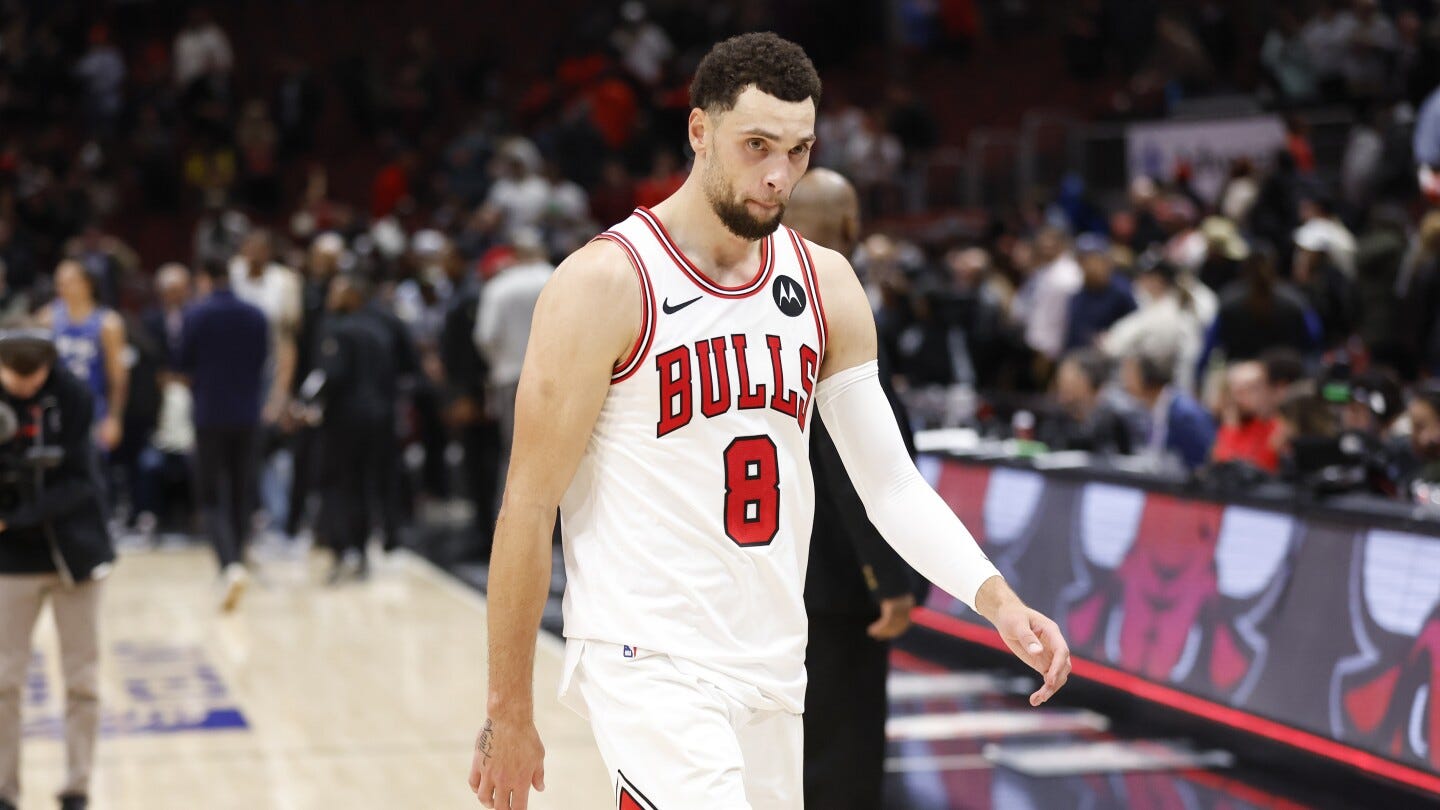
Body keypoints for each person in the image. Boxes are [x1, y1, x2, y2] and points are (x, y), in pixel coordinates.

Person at [470, 33, 1071, 810]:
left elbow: (888, 486)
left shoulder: (827, 284)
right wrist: (507, 711)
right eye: (756, 145)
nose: (779, 173)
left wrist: (998, 600)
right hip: (647, 653)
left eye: (797, 150)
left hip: (775, 657)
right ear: (699, 131)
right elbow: (528, 505)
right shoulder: (607, 282)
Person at [782, 167, 921, 810]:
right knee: (845, 744)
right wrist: (886, 576)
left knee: (797, 739)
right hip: (837, 576)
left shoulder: (754, 302)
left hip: (772, 561)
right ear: (847, 224)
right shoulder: (838, 305)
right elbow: (853, 462)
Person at [0, 331, 115, 810]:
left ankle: (77, 785)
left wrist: (18, 516)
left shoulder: (73, 395)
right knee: (4, 680)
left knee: (82, 679)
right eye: (14, 377)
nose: (25, 386)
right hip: (10, 564)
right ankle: (4, 789)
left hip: (75, 555)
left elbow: (82, 482)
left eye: (34, 377)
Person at [179, 258, 269, 611]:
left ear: (205, 279)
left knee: (211, 494)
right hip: (248, 414)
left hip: (210, 413)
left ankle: (229, 564)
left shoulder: (197, 315)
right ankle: (240, 558)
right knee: (242, 489)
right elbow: (263, 360)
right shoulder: (256, 314)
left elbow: (182, 362)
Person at [314, 274, 400, 577]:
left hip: (345, 418)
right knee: (367, 484)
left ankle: (343, 549)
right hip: (379, 417)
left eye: (337, 291)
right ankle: (364, 550)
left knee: (340, 483)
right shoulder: (380, 329)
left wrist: (309, 403)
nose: (331, 296)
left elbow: (331, 375)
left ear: (352, 295)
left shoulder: (339, 330)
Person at [37, 262, 128, 454]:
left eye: (68, 282)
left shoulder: (108, 323)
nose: (62, 288)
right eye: (59, 283)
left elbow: (118, 379)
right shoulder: (46, 318)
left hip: (93, 408)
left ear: (87, 284)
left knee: (91, 471)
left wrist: (114, 419)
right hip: (56, 407)